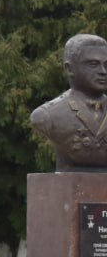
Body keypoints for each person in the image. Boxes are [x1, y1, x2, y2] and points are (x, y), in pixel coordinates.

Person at [31, 33, 107, 171]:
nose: (103, 71)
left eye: (106, 65)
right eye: (93, 64)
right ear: (69, 68)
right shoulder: (48, 115)